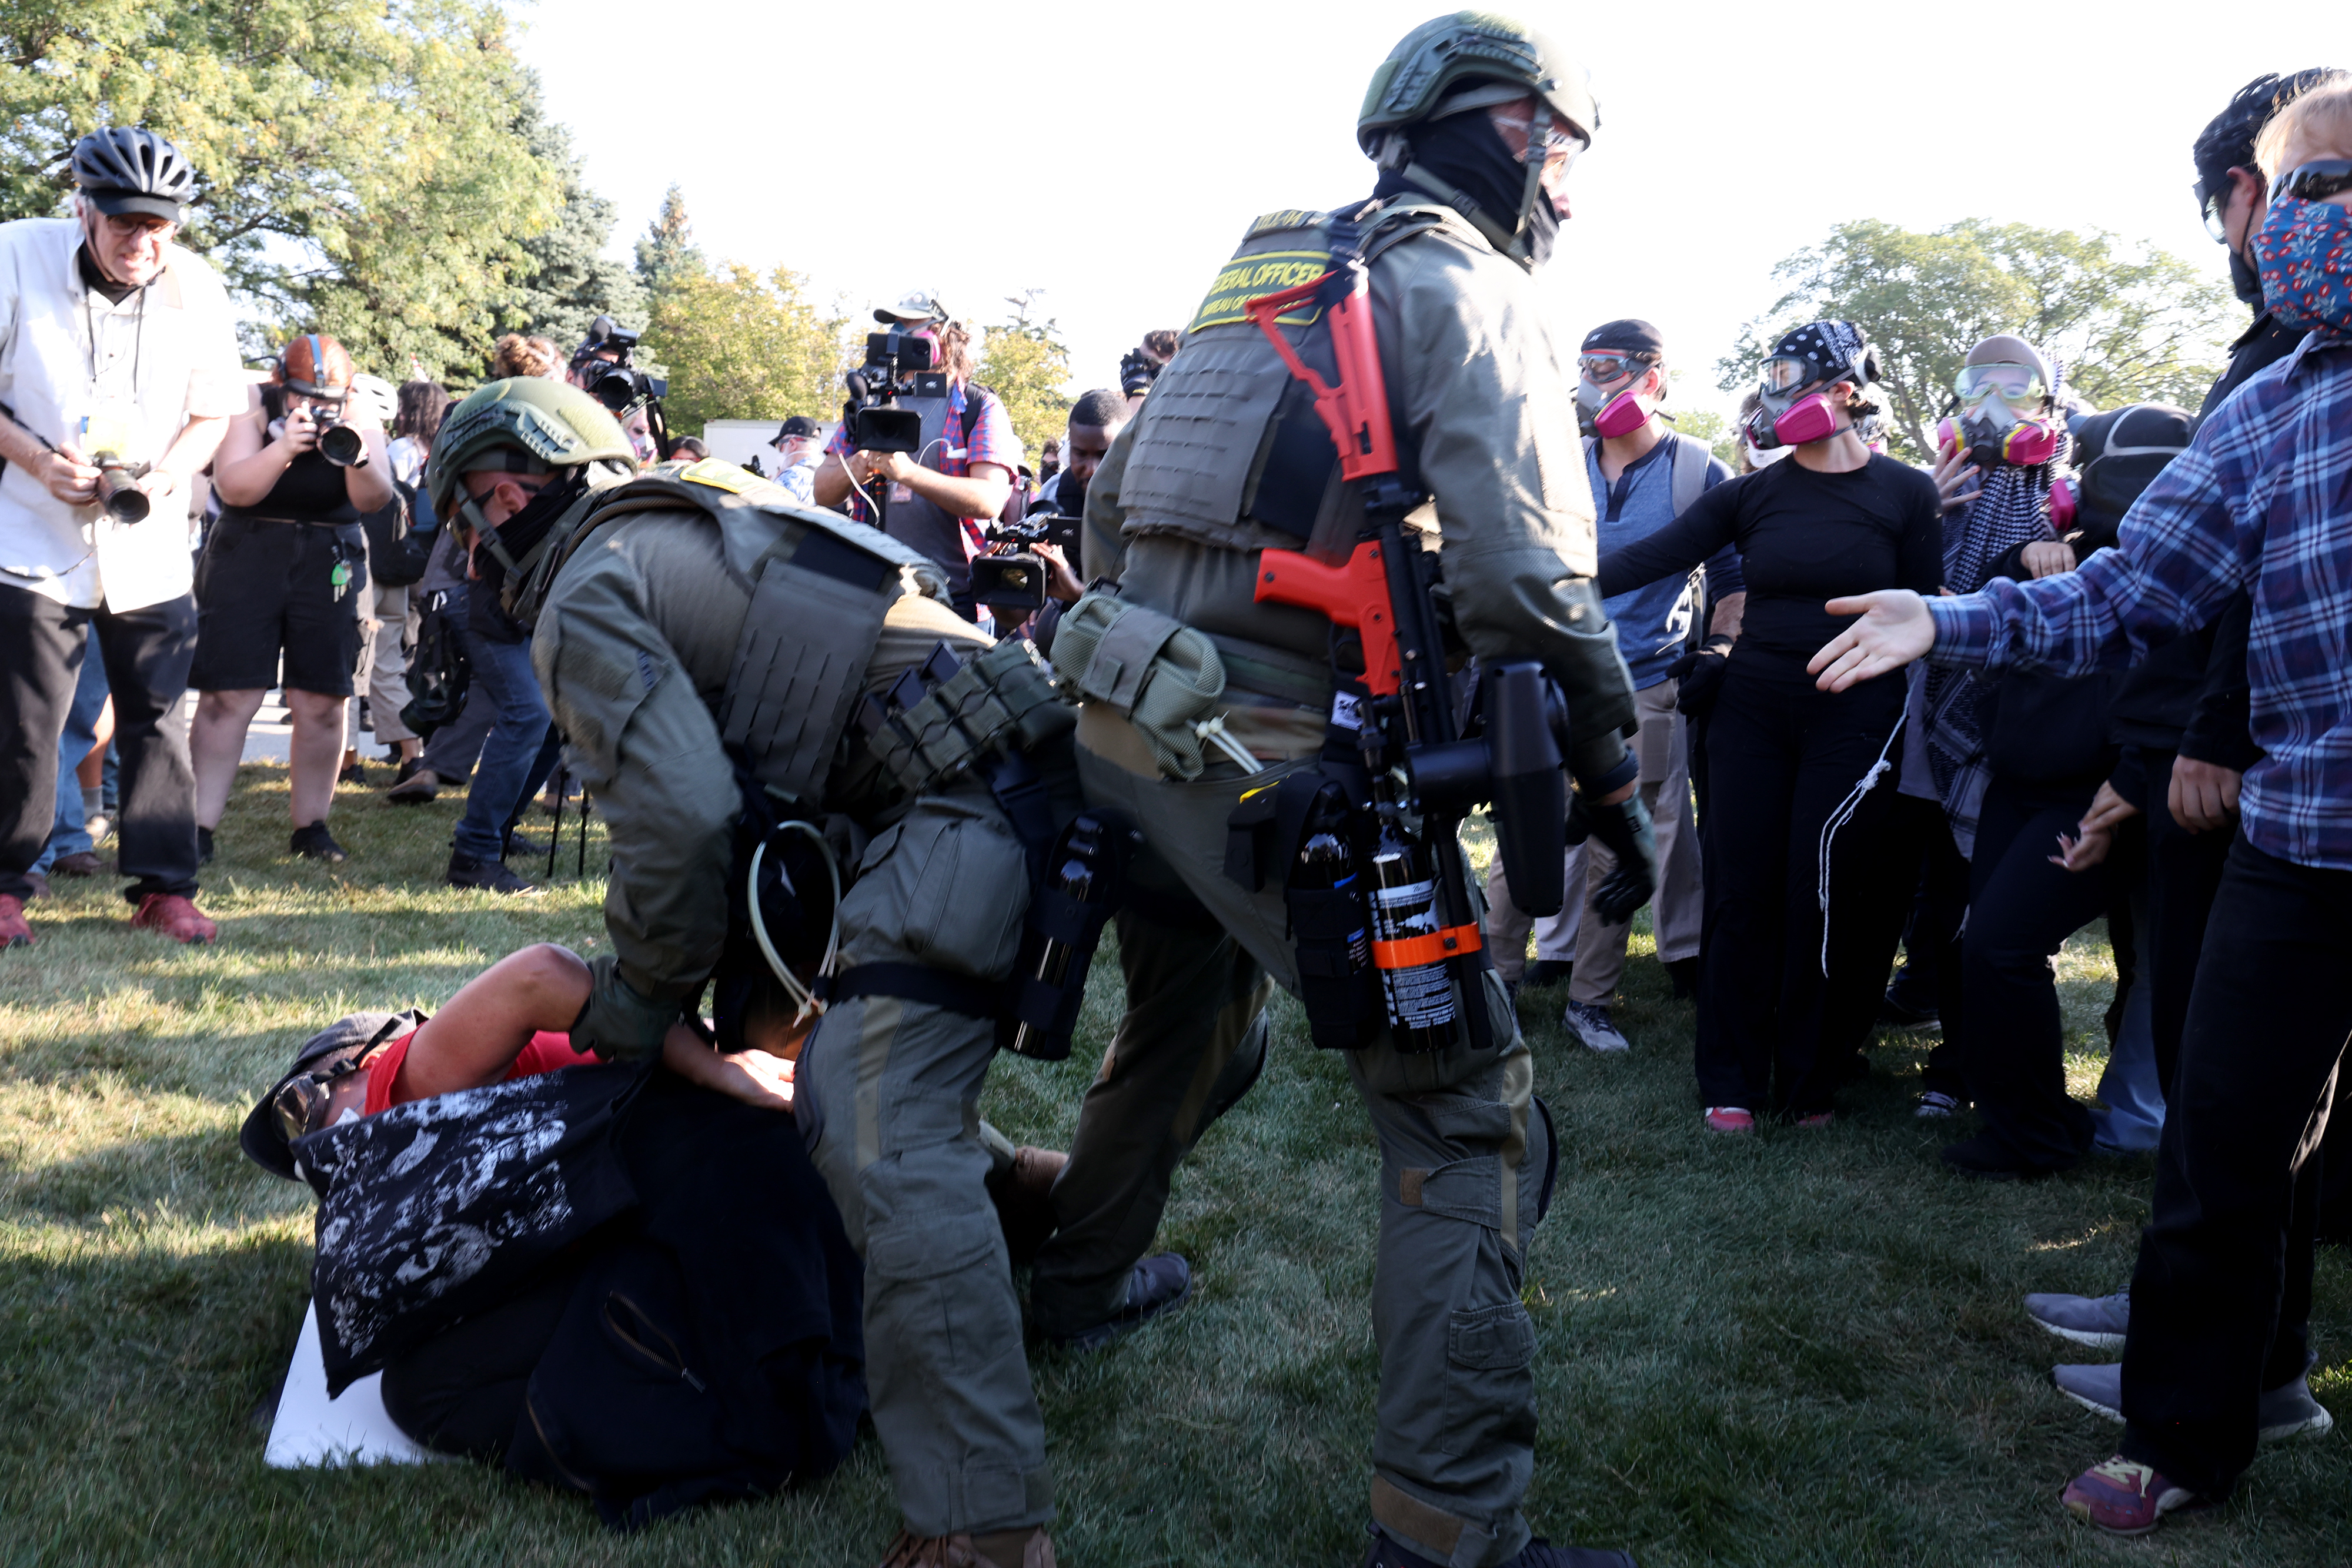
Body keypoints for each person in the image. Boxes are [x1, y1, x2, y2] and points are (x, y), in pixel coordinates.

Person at [1044, 17, 1651, 1567]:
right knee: (1464, 1115)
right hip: (1280, 769)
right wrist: (1612, 782)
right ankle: (1450, 1529)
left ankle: (1082, 1281)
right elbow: (1529, 584)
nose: (1570, 194)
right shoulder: (1465, 288)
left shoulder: (1261, 281)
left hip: (1126, 729)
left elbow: (1111, 512)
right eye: (1564, 151)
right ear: (1508, 132)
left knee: (1181, 1018)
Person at [1806, 78, 2352, 1534]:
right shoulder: (2279, 402)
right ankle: (2189, 1431)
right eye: (2287, 189)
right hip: (2300, 849)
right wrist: (1948, 615)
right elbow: (2133, 590)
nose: (2295, 221)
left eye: (2327, 184)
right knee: (2229, 1138)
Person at [505, 390, 1088, 1568]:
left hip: (955, 804)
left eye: (479, 512)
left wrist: (634, 1001)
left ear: (513, 490)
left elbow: (678, 835)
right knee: (838, 1076)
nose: (479, 537)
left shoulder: (588, 589)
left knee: (876, 1135)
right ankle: (1045, 1214)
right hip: (1001, 769)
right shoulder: (692, 516)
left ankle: (983, 1529)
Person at [238, 941, 863, 1523]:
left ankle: (713, 1413)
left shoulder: (409, 1081)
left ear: (368, 1060)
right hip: (723, 1211)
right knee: (424, 1384)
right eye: (299, 1155)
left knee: (423, 1395)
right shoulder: (420, 1158)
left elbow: (540, 973)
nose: (311, 1154)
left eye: (303, 1108)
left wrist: (716, 1071)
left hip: (719, 1195)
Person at [1599, 321, 1942, 1132]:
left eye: (1794, 374)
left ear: (1847, 391)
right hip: (1750, 708)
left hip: (1856, 714)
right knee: (1742, 890)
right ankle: (1730, 1076)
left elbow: (1927, 613)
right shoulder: (1754, 492)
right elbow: (1646, 557)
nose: (1777, 391)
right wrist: (1537, 580)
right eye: (1772, 373)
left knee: (1817, 892)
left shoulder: (1906, 493)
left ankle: (1811, 1076)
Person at [1, 127, 244, 948]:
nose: (143, 242)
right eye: (124, 224)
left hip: (149, 538)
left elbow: (215, 411)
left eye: (160, 226)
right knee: (26, 720)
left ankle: (164, 887)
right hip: (32, 530)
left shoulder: (201, 287)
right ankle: (5, 887)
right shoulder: (15, 255)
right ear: (83, 210)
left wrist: (167, 477)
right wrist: (38, 461)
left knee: (159, 715)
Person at [1481, 319, 1739, 1041]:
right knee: (1518, 840)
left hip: (1644, 690)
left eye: (1611, 367)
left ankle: (1589, 1002)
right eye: (1587, 366)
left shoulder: (1696, 470)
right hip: (1546, 687)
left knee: (1614, 853)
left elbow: (1730, 574)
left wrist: (1719, 646)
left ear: (1652, 380)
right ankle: (1493, 984)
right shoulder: (1555, 459)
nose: (1595, 383)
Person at [188, 334, 393, 866]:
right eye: (303, 395)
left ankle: (312, 826)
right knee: (228, 694)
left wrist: (355, 449)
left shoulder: (358, 407)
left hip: (330, 554)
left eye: (326, 399)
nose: (314, 407)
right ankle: (196, 826)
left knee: (323, 699)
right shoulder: (253, 402)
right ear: (282, 384)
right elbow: (234, 489)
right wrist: (283, 446)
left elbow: (375, 498)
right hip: (249, 548)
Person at [428, 379, 639, 894]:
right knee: (528, 713)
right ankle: (474, 852)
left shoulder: (564, 495)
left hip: (521, 620)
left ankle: (498, 832)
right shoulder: (489, 484)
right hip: (489, 619)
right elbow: (487, 574)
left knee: (552, 721)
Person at [813, 292, 1021, 620]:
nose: (896, 334)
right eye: (893, 326)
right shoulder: (867, 404)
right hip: (875, 591)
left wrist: (907, 474)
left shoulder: (978, 406)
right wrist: (858, 465)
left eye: (908, 325)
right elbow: (822, 492)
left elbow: (989, 500)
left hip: (955, 598)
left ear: (940, 335)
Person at [767, 414, 824, 505]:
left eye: (780, 446)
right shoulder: (828, 475)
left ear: (792, 444)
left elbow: (769, 515)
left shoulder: (790, 477)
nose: (780, 452)